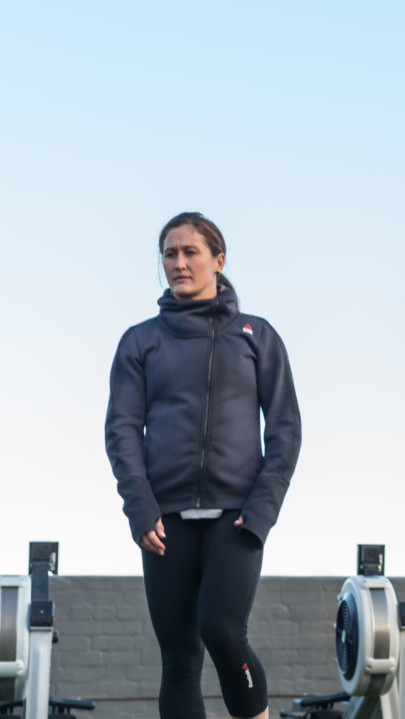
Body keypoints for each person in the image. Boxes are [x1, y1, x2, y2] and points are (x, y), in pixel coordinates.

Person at [106, 212, 301, 719]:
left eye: (190, 251)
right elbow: (122, 429)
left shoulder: (256, 336)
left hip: (237, 514)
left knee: (220, 628)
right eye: (169, 253)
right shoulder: (139, 341)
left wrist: (261, 511)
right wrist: (140, 507)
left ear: (218, 259)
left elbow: (285, 431)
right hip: (164, 517)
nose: (178, 262)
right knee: (178, 658)